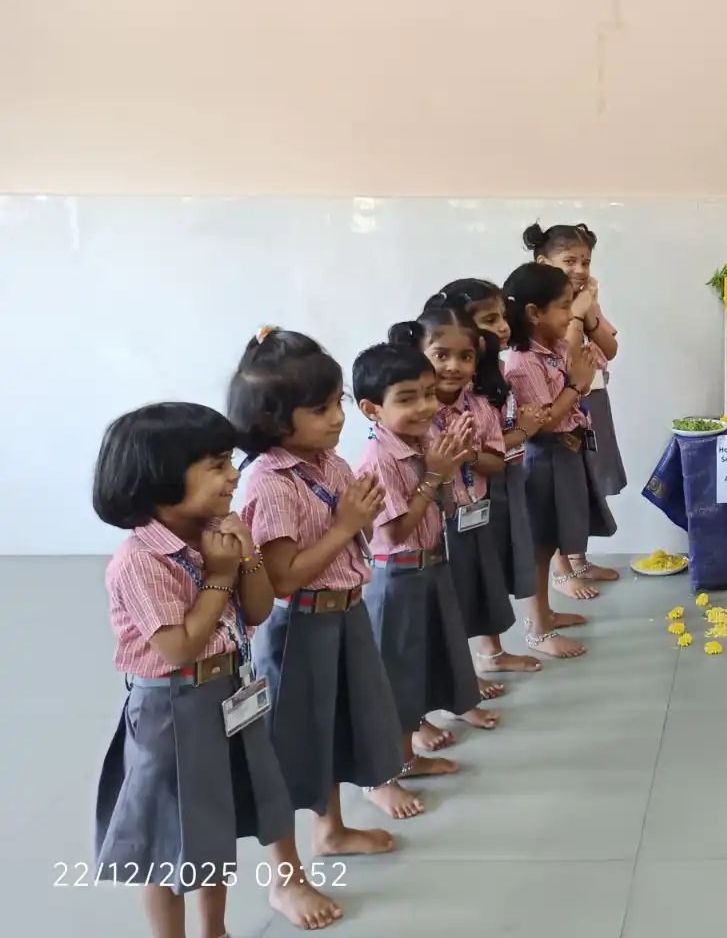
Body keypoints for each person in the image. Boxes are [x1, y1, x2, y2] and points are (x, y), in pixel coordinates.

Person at [93, 403, 301, 938]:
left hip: (225, 692)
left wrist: (247, 557)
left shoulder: (217, 532)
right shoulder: (140, 560)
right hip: (172, 706)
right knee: (166, 838)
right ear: (160, 480)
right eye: (215, 465)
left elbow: (258, 609)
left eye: (229, 460)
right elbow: (179, 648)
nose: (233, 475)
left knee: (213, 823)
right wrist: (220, 574)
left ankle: (215, 930)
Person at [231, 329, 420, 862]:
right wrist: (346, 525)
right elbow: (284, 578)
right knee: (292, 743)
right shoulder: (272, 484)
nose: (337, 418)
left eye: (338, 402)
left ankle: (331, 830)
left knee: (332, 730)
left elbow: (359, 532)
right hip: (302, 625)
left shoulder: (330, 463)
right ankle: (284, 872)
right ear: (273, 420)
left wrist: (358, 520)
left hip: (346, 614)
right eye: (320, 409)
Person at [392, 302, 538, 704]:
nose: (453, 367)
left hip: (475, 511)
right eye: (441, 355)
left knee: (480, 586)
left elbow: (495, 462)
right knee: (447, 602)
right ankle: (459, 681)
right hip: (431, 523)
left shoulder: (478, 404)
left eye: (466, 357)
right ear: (419, 353)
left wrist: (467, 454)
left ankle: (491, 653)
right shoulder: (411, 413)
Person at [353, 341, 486, 782]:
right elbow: (394, 532)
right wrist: (434, 474)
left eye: (428, 394)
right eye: (407, 399)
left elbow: (444, 500)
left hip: (431, 564)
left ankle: (413, 739)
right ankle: (397, 766)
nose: (425, 406)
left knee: (423, 661)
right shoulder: (379, 458)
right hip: (398, 575)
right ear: (372, 409)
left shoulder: (425, 439)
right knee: (398, 670)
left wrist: (450, 467)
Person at [432, 278, 579, 660]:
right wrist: (525, 429)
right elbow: (483, 445)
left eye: (501, 316)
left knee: (501, 559)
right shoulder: (451, 387)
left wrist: (519, 429)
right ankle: (519, 638)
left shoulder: (491, 370)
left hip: (502, 476)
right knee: (479, 567)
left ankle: (501, 644)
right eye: (489, 319)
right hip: (473, 486)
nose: (502, 326)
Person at [501, 262, 618, 630]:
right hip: (546, 457)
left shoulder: (553, 348)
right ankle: (538, 626)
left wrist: (588, 316)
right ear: (534, 313)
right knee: (541, 545)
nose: (570, 316)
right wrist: (577, 386)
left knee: (553, 539)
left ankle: (547, 614)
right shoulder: (523, 362)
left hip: (567, 452)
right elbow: (546, 421)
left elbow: (602, 354)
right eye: (564, 307)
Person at [526, 222, 625, 582]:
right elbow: (565, 358)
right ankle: (561, 568)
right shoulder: (544, 308)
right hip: (560, 405)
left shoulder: (583, 301)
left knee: (585, 482)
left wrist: (589, 310)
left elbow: (610, 349)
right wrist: (579, 314)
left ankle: (579, 559)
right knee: (559, 490)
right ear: (543, 262)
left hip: (591, 399)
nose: (580, 270)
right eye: (569, 260)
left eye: (586, 261)